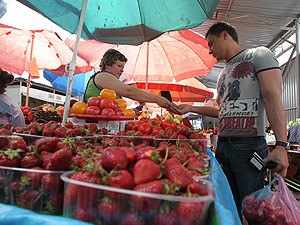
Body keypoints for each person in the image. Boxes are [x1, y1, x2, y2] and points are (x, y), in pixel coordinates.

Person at [176, 22, 289, 224]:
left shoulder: (259, 55)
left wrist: (281, 145)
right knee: (230, 206)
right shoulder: (223, 72)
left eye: (211, 43)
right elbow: (221, 110)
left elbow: (272, 96)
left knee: (255, 209)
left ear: (225, 35)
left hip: (249, 145)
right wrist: (191, 108)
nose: (210, 50)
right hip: (224, 146)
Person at [84, 49, 178, 112]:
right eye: (119, 66)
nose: (122, 70)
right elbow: (128, 91)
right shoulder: (102, 76)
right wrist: (157, 99)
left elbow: (110, 108)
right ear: (107, 65)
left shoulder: (109, 82)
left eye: (123, 67)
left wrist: (127, 112)